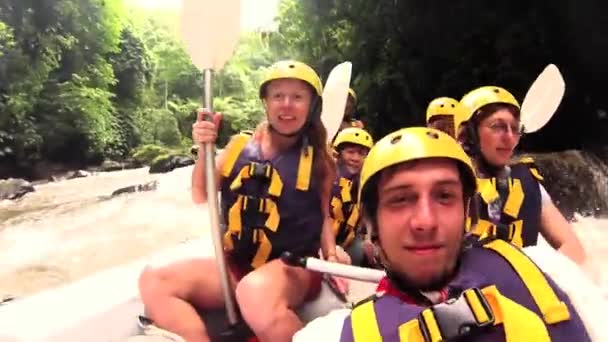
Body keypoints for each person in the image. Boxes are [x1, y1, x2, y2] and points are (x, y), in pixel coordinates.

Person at [294, 127, 591, 341]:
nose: (426, 221)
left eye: (445, 196)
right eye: (400, 199)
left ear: (467, 213)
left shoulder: (546, 269)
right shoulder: (328, 336)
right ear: (372, 225)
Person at [138, 60, 345, 342]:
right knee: (154, 281)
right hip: (239, 264)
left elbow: (323, 217)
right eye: (278, 96)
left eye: (297, 97)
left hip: (294, 267)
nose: (286, 104)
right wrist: (204, 149)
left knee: (254, 291)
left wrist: (331, 258)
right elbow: (202, 195)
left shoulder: (320, 159)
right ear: (266, 103)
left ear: (312, 107)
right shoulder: (238, 147)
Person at [459, 86, 586, 264]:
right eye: (498, 127)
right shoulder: (449, 185)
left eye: (515, 128)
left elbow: (572, 248)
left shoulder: (527, 183)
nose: (510, 137)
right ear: (469, 135)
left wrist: (540, 279)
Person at [329, 127, 373, 265]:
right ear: (339, 153)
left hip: (346, 242)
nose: (355, 158)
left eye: (361, 153)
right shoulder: (325, 177)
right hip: (318, 241)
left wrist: (369, 240)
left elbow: (368, 219)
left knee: (361, 252)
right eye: (350, 152)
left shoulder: (364, 185)